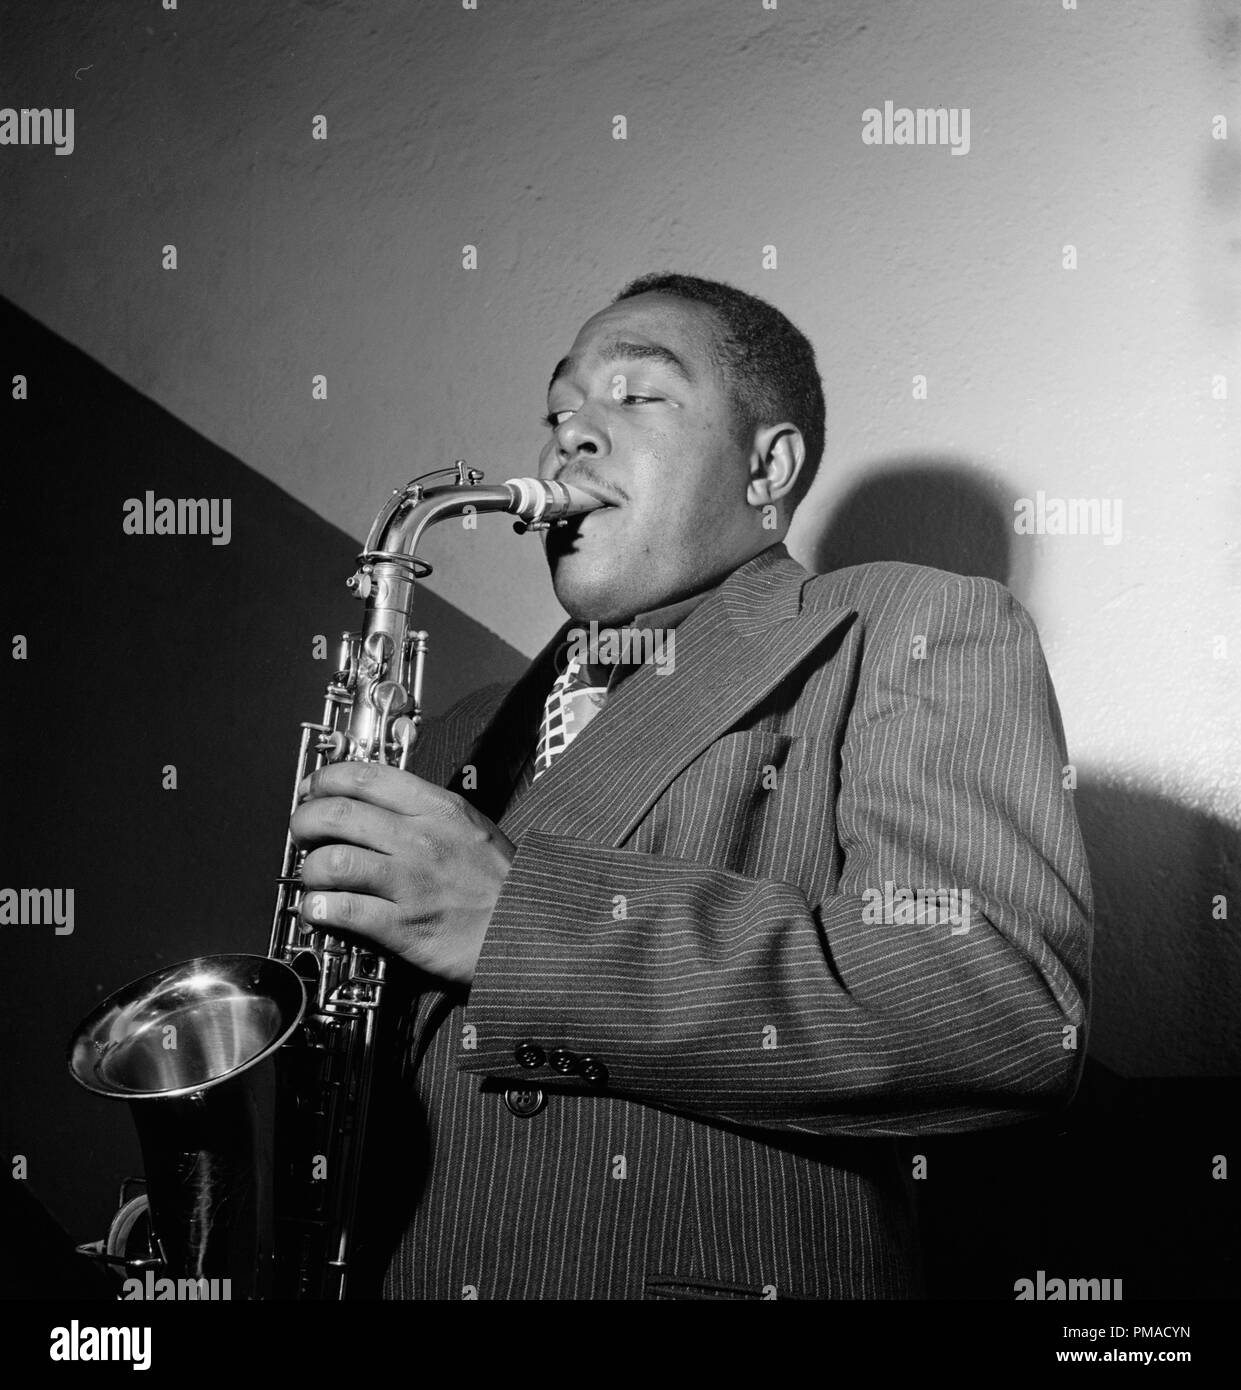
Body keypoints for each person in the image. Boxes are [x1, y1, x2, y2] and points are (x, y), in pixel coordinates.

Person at [290, 272, 1093, 1300]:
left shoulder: (910, 622)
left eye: (634, 395)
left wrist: (518, 926)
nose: (568, 436)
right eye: (558, 410)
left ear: (767, 464)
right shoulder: (450, 732)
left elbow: (996, 1008)